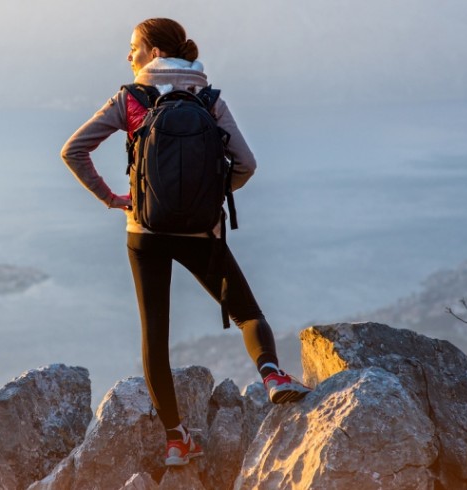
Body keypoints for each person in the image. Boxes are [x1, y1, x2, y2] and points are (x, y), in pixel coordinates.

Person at [60, 17, 311, 467]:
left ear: (155, 52)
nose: (128, 55)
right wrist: (208, 193)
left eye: (134, 46)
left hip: (145, 232)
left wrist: (115, 199)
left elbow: (73, 150)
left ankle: (176, 440)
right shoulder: (208, 99)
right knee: (246, 312)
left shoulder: (131, 98)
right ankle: (272, 375)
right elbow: (246, 163)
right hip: (202, 233)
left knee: (155, 335)